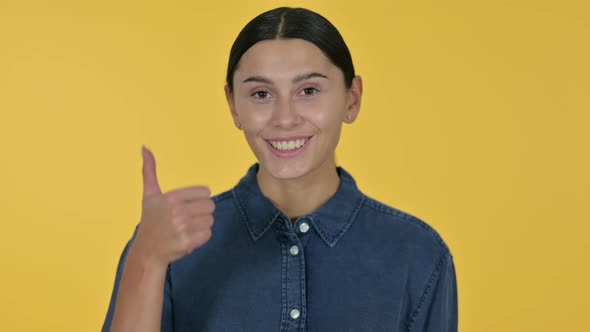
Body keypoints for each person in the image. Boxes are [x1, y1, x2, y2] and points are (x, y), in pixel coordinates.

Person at [101, 6, 457, 332]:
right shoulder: (167, 242)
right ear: (233, 106)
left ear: (352, 98)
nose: (285, 118)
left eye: (309, 90)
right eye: (260, 95)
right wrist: (147, 258)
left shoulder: (418, 253)